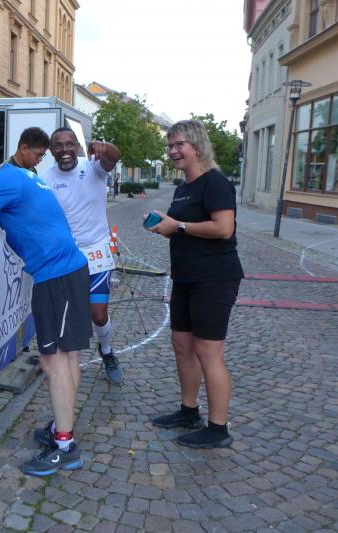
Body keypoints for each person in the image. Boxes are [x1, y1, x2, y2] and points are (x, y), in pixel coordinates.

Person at [0, 152, 90, 477]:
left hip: (56, 276)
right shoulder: (17, 176)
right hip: (68, 270)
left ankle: (65, 445)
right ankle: (62, 427)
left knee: (54, 361)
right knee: (68, 355)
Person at [145, 119, 243, 448]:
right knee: (181, 344)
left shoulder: (215, 183)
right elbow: (181, 227)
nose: (173, 151)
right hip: (185, 277)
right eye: (170, 145)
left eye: (179, 144)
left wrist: (179, 226)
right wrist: (165, 226)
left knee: (207, 351)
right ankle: (189, 412)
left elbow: (224, 228)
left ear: (197, 146)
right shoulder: (183, 188)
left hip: (214, 278)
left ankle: (218, 428)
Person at [41, 128, 124, 385]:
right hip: (67, 256)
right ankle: (64, 366)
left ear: (78, 146)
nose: (65, 150)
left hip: (97, 251)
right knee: (69, 316)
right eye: (59, 145)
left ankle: (107, 351)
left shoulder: (94, 168)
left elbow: (115, 156)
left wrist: (104, 146)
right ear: (51, 150)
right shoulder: (45, 179)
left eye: (70, 144)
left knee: (98, 314)